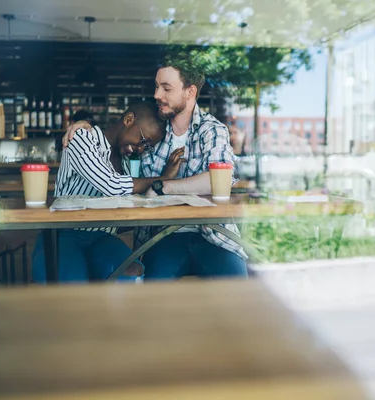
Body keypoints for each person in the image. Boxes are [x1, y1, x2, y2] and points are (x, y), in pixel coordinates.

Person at [65, 58, 248, 280]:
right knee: (148, 297)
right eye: (156, 86)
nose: (156, 94)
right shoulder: (153, 135)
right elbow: (129, 173)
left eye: (166, 88)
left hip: (214, 235)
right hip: (161, 237)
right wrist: (83, 126)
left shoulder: (212, 130)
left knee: (238, 293)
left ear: (190, 92)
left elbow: (219, 180)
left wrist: (165, 186)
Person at [32, 101, 168, 284]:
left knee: (132, 272)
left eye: (147, 147)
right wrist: (165, 180)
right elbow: (111, 185)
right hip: (64, 235)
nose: (141, 149)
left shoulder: (127, 163)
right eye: (143, 141)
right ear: (129, 119)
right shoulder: (81, 137)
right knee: (72, 288)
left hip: (104, 237)